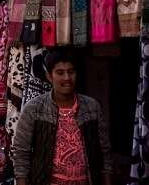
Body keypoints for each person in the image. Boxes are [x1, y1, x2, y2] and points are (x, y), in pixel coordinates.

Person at [12, 50, 112, 185]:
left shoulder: (92, 107)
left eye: (71, 72)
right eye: (60, 73)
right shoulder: (34, 109)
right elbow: (21, 154)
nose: (67, 78)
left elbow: (105, 153)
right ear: (49, 76)